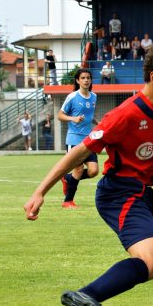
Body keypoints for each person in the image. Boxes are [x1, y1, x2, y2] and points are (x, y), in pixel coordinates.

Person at [23, 39, 153, 306]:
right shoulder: (123, 115)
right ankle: (89, 294)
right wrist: (40, 191)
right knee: (151, 264)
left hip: (143, 196)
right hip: (119, 195)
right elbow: (79, 153)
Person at [58, 68, 100, 208]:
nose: (86, 80)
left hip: (88, 139)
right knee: (78, 169)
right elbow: (60, 115)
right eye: (83, 78)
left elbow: (89, 116)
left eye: (88, 77)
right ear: (77, 80)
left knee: (94, 171)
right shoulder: (72, 97)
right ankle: (67, 201)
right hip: (74, 139)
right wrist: (73, 118)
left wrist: (98, 123)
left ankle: (67, 178)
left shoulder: (94, 96)